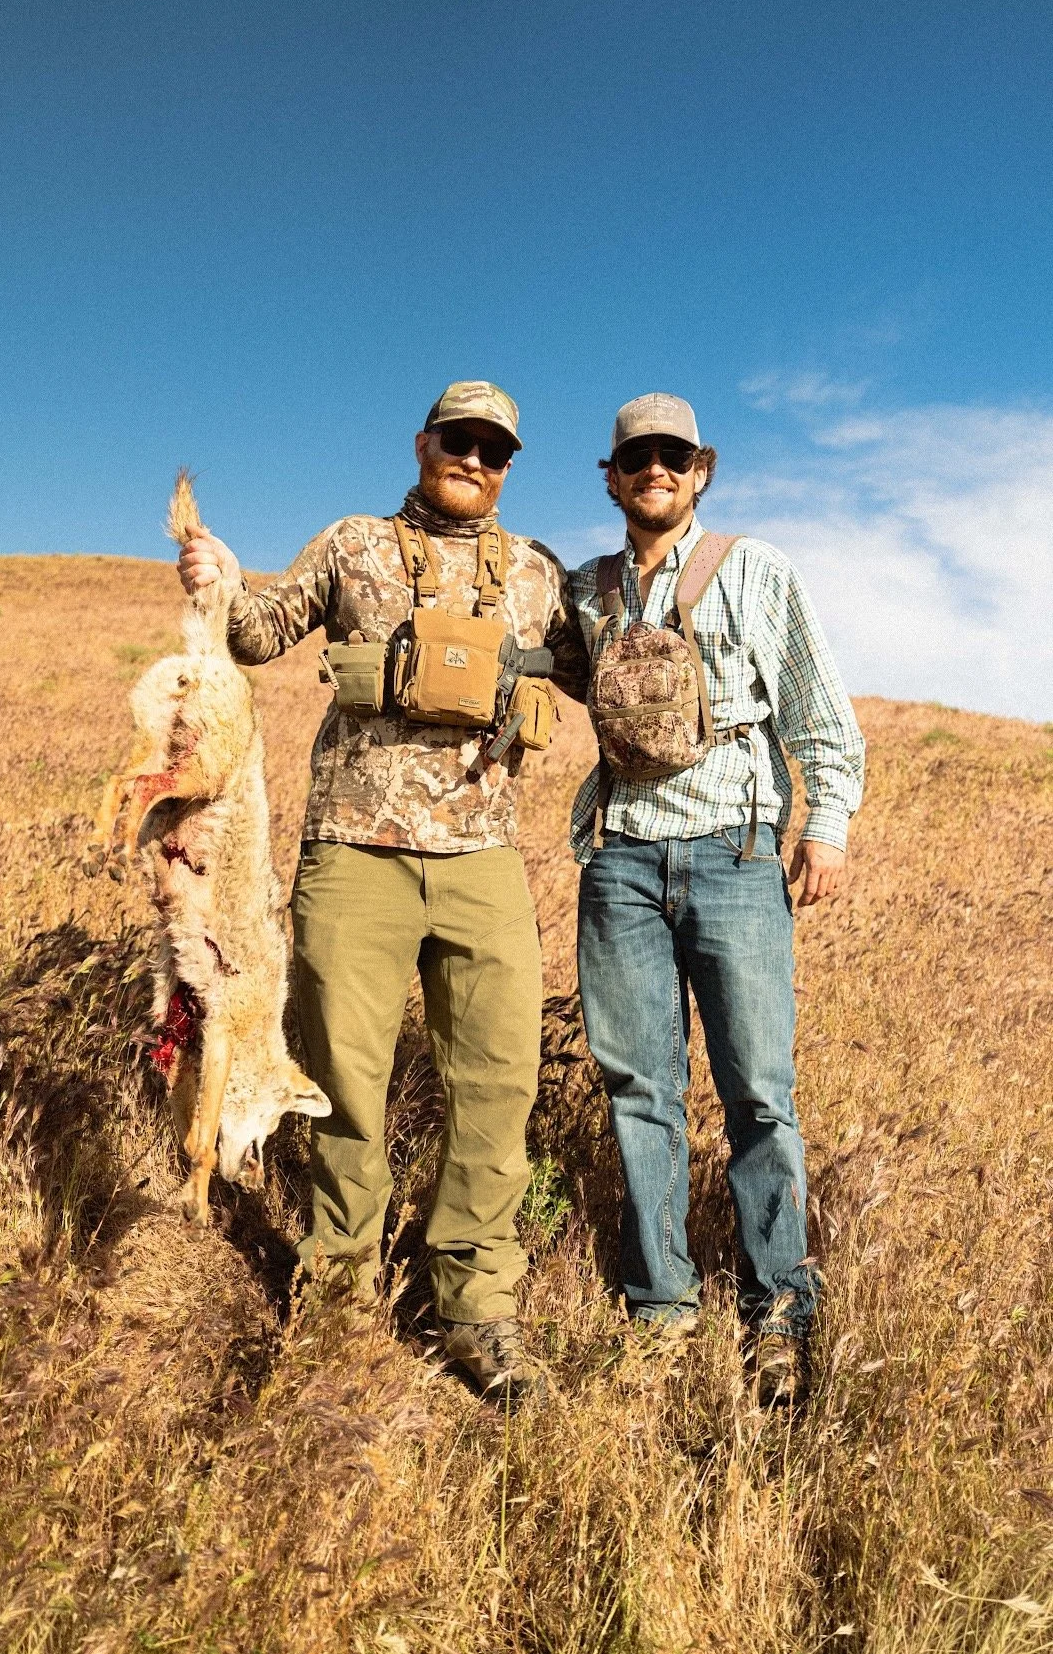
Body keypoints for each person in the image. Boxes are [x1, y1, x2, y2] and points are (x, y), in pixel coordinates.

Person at [178, 381, 590, 1405]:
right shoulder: (352, 543)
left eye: (494, 448)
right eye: (459, 439)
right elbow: (255, 634)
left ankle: (476, 1306)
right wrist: (219, 577)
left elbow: (608, 671)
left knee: (499, 1084)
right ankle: (336, 1299)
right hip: (354, 853)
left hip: (485, 859)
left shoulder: (539, 573)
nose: (475, 459)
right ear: (422, 443)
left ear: (509, 465)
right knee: (346, 1083)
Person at [570, 392, 864, 1406]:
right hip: (620, 865)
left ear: (701, 469)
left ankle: (779, 1307)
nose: (654, 468)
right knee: (639, 1089)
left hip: (736, 856)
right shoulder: (588, 590)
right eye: (635, 456)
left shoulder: (757, 569)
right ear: (611, 477)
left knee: (759, 1093)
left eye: (673, 454)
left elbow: (821, 710)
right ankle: (661, 1305)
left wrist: (827, 825)